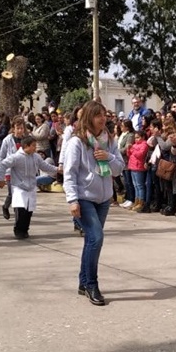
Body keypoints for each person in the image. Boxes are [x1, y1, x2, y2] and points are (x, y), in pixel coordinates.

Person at [63, 100, 125, 306]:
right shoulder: (77, 142)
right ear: (89, 117)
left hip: (104, 198)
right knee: (96, 238)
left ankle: (83, 282)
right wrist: (72, 200)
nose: (103, 119)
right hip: (84, 198)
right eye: (99, 115)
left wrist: (108, 157)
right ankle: (92, 284)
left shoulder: (110, 140)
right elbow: (69, 174)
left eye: (104, 115)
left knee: (91, 240)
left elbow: (119, 169)